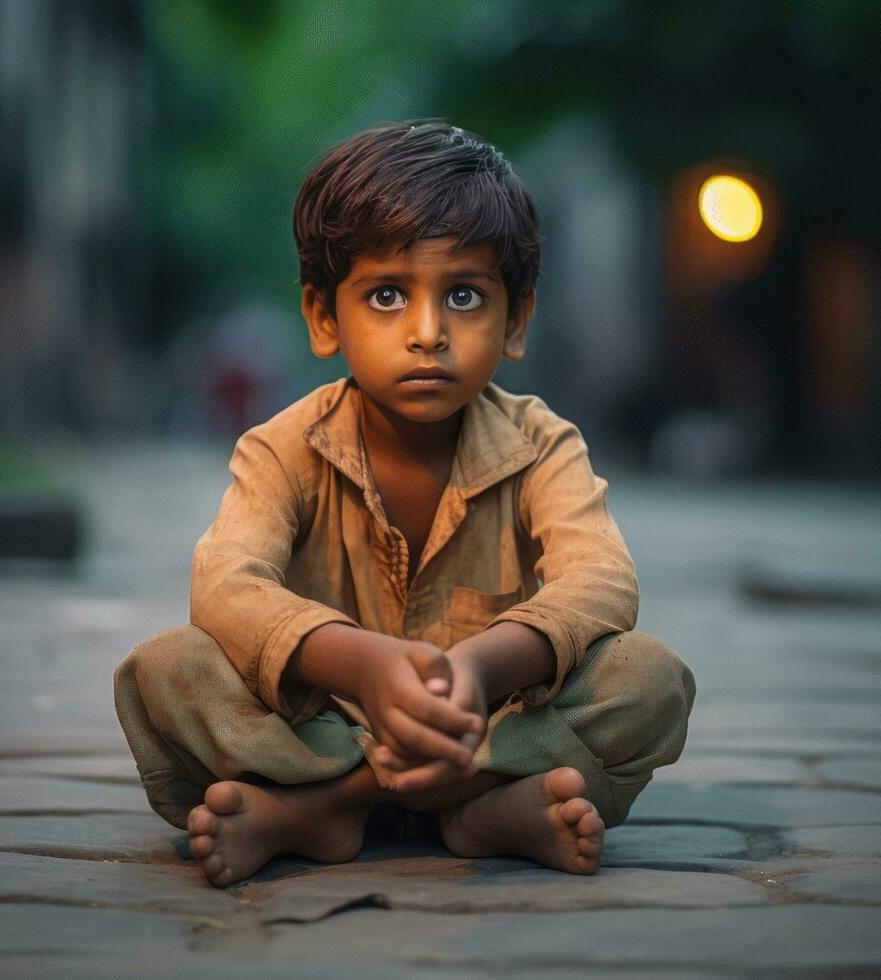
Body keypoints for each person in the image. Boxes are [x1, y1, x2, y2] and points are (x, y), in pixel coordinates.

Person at [113, 120, 696, 888]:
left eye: (463, 295)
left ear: (514, 319)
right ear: (324, 317)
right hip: (324, 729)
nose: (428, 333)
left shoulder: (542, 444)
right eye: (386, 295)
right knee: (167, 669)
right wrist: (362, 665)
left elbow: (601, 581)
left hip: (481, 725)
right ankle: (473, 812)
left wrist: (482, 670)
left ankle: (329, 810)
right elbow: (225, 584)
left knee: (648, 679)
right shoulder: (281, 447)